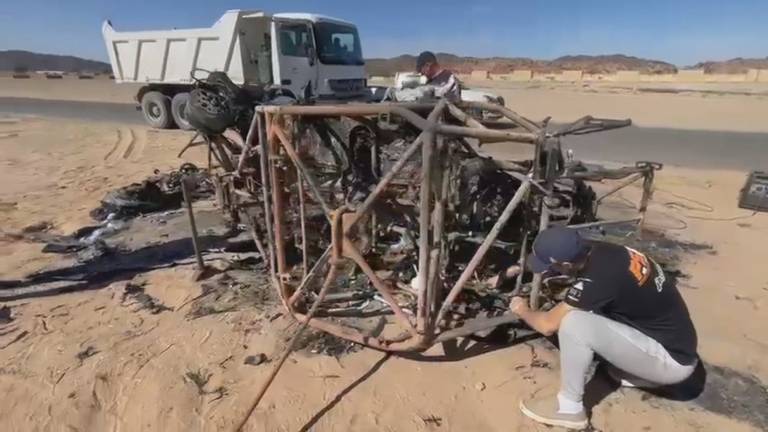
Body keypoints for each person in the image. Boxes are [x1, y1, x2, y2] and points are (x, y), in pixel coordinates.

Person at [508, 226, 698, 429]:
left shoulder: (597, 279)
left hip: (673, 362)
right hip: (676, 343)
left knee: (573, 322)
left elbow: (547, 325)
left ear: (565, 264)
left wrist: (522, 310)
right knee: (587, 310)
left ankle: (569, 409)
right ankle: (639, 373)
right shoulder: (600, 251)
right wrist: (511, 271)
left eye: (551, 266)